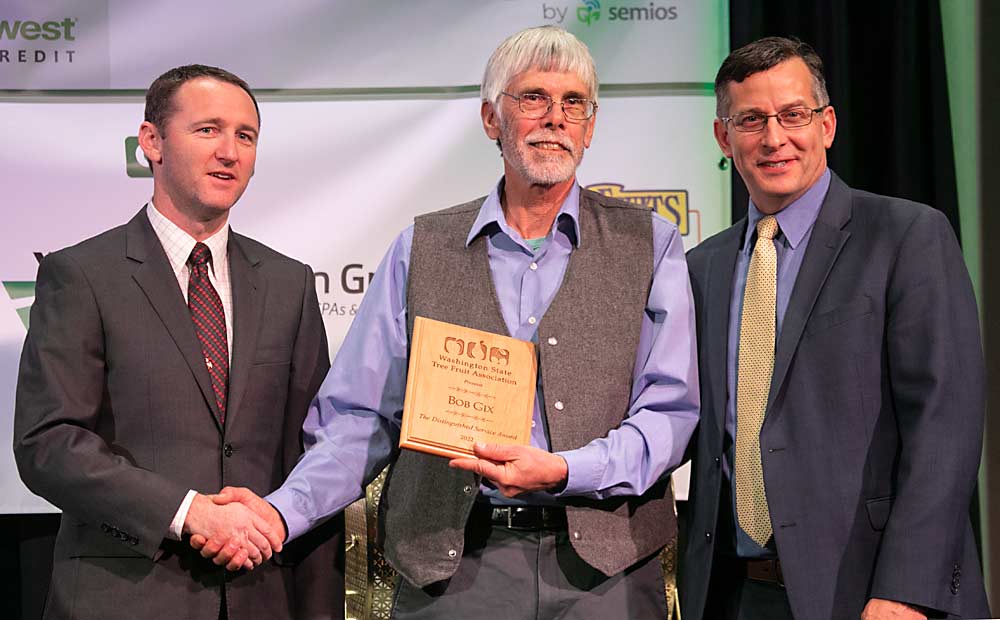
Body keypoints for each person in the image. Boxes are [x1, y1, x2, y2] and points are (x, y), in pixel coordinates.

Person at [197, 26, 698, 618]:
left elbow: (670, 412)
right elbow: (359, 416)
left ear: (591, 126)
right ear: (492, 119)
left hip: (607, 572)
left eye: (574, 104)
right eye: (533, 98)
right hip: (455, 570)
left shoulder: (650, 243)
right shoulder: (422, 247)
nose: (555, 118)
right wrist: (283, 512)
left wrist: (566, 470)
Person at [13, 64, 341, 620]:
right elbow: (49, 443)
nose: (230, 152)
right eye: (208, 129)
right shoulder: (83, 273)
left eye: (246, 136)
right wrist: (188, 512)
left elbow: (312, 452)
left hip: (261, 599)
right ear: (152, 142)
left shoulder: (290, 282)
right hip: (122, 596)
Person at [678, 37, 989, 620]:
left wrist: (906, 590)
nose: (774, 138)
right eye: (751, 120)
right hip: (732, 595)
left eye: (793, 115)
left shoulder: (907, 236)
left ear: (827, 124)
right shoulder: (703, 268)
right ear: (724, 138)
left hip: (873, 592)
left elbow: (945, 425)